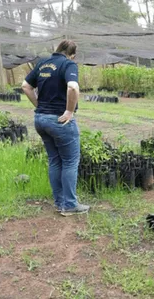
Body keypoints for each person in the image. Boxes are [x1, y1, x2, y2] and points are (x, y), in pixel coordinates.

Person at [22, 40, 90, 216]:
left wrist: (39, 106)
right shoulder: (68, 64)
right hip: (60, 121)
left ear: (57, 49)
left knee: (55, 160)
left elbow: (25, 86)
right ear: (72, 54)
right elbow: (73, 87)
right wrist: (69, 111)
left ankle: (60, 202)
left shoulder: (42, 64)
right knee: (69, 161)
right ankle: (69, 205)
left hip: (40, 120)